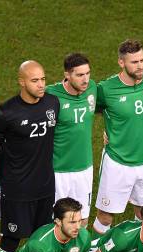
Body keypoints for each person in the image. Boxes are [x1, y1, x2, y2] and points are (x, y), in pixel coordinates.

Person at [92, 39, 143, 237]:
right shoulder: (106, 89)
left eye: (142, 60)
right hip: (117, 162)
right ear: (121, 63)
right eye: (134, 62)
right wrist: (108, 130)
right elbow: (89, 110)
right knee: (105, 216)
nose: (140, 66)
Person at [0, 60, 60, 252]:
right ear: (21, 82)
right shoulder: (7, 112)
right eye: (34, 80)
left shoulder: (52, 103)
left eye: (43, 79)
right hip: (18, 188)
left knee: (42, 236)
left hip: (45, 185)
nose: (41, 85)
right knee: (11, 238)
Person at [46, 53, 96, 226]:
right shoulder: (50, 96)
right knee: (58, 220)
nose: (85, 79)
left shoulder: (92, 89)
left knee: (82, 219)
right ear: (67, 75)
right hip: (58, 171)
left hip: (84, 167)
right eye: (80, 75)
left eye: (88, 73)